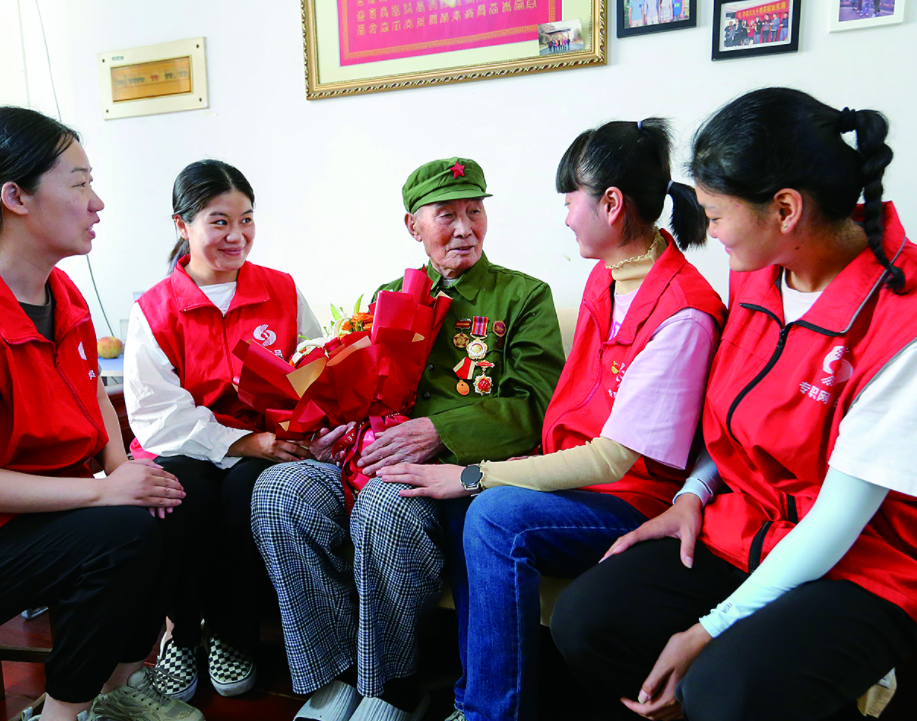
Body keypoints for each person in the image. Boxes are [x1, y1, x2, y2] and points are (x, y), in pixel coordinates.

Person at [551, 87, 917, 721]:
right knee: (588, 619)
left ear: (785, 209)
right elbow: (733, 423)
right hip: (748, 526)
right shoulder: (758, 271)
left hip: (864, 565)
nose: (707, 232)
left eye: (716, 216)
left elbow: (839, 520)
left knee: (723, 689)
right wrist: (690, 494)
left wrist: (705, 631)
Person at [380, 120, 724, 721]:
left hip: (632, 495)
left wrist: (473, 473)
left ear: (609, 204)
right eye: (445, 215)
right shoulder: (608, 274)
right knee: (469, 507)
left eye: (570, 202)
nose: (565, 219)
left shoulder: (683, 312)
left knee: (493, 514)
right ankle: (461, 696)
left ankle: (491, 712)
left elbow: (616, 457)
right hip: (582, 478)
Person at [0, 107, 200, 721]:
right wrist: (104, 495)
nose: (98, 203)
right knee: (120, 534)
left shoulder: (60, 292)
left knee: (170, 499)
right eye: (80, 183)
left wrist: (124, 470)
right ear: (16, 197)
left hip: (15, 517)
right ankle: (63, 714)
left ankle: (116, 689)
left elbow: (91, 394)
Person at [252, 157, 565, 721]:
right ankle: (332, 679)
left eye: (475, 211)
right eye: (447, 215)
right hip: (368, 455)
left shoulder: (523, 297)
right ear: (413, 226)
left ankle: (389, 687)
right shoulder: (387, 295)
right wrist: (336, 427)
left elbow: (539, 408)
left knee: (383, 505)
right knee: (280, 489)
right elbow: (355, 385)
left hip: (452, 471)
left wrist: (439, 430)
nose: (465, 228)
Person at [123, 159, 322, 701]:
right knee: (179, 495)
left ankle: (233, 637)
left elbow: (313, 367)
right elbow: (158, 414)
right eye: (219, 221)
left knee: (246, 494)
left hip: (266, 446)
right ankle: (182, 637)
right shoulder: (154, 309)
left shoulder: (280, 290)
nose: (237, 236)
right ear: (181, 225)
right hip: (182, 443)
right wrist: (242, 440)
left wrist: (297, 426)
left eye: (247, 219)